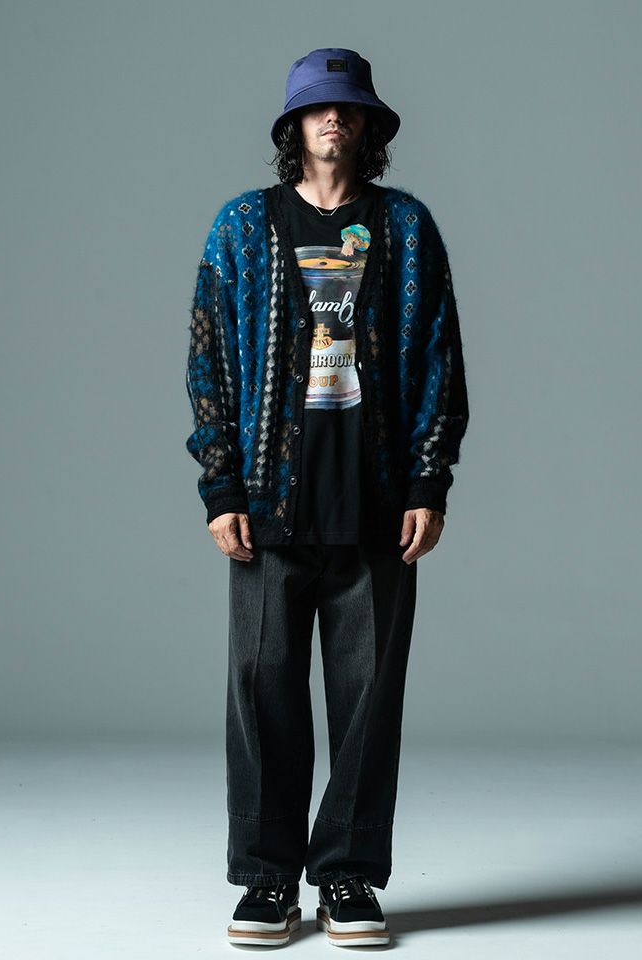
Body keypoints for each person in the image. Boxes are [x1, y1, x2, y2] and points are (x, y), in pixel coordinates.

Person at [185, 47, 470, 948]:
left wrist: (429, 478)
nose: (333, 120)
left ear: (369, 124)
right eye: (318, 109)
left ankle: (346, 875)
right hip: (269, 503)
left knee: (367, 699)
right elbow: (208, 360)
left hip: (376, 503)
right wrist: (220, 485)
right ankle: (266, 879)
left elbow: (439, 358)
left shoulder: (405, 227)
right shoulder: (243, 226)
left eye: (347, 108)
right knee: (261, 689)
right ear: (294, 127)